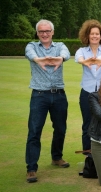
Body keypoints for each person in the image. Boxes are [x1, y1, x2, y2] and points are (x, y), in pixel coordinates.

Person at [24, 19, 71, 183]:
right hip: (39, 95)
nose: (44, 34)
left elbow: (66, 54)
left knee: (60, 128)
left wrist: (60, 59)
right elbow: (31, 55)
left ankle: (56, 157)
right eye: (41, 31)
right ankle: (31, 168)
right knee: (34, 131)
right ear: (37, 33)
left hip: (58, 94)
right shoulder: (32, 46)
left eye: (47, 31)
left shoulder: (60, 46)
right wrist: (39, 60)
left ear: (52, 32)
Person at [75, 19, 101, 153]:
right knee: (87, 124)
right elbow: (78, 59)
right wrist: (84, 62)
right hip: (87, 92)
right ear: (87, 36)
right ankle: (88, 157)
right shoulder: (82, 51)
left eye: (97, 34)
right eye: (92, 34)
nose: (95, 36)